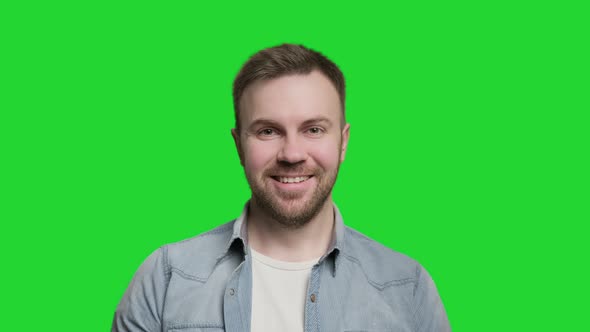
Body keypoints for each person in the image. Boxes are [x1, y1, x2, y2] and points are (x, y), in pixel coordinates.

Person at [112, 43, 450, 332]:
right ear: (238, 145)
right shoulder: (167, 277)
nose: (291, 154)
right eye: (267, 131)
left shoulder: (407, 287)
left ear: (343, 142)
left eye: (314, 129)